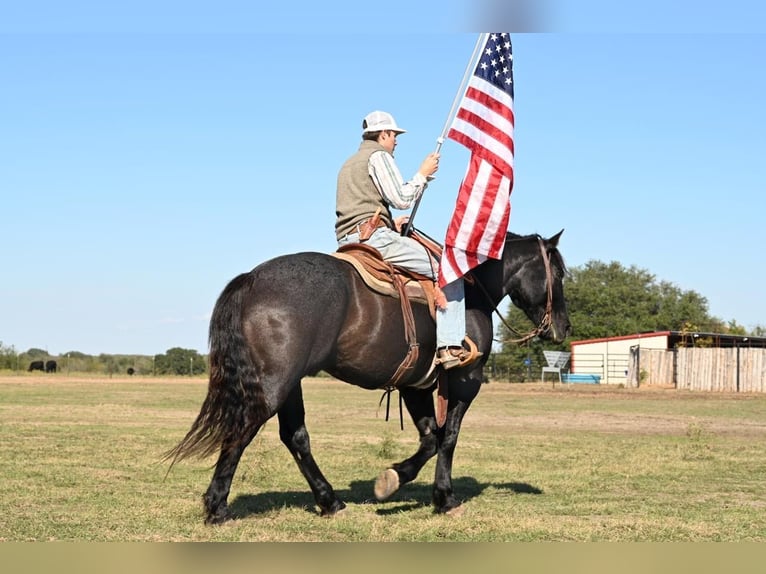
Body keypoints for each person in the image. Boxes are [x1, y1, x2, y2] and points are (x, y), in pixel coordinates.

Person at [335, 110, 481, 370]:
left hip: (349, 239)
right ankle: (449, 346)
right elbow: (401, 198)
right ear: (384, 134)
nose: (396, 141)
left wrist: (392, 223)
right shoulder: (379, 156)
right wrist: (423, 173)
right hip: (375, 240)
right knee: (448, 269)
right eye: (394, 135)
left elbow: (363, 207)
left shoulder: (349, 163)